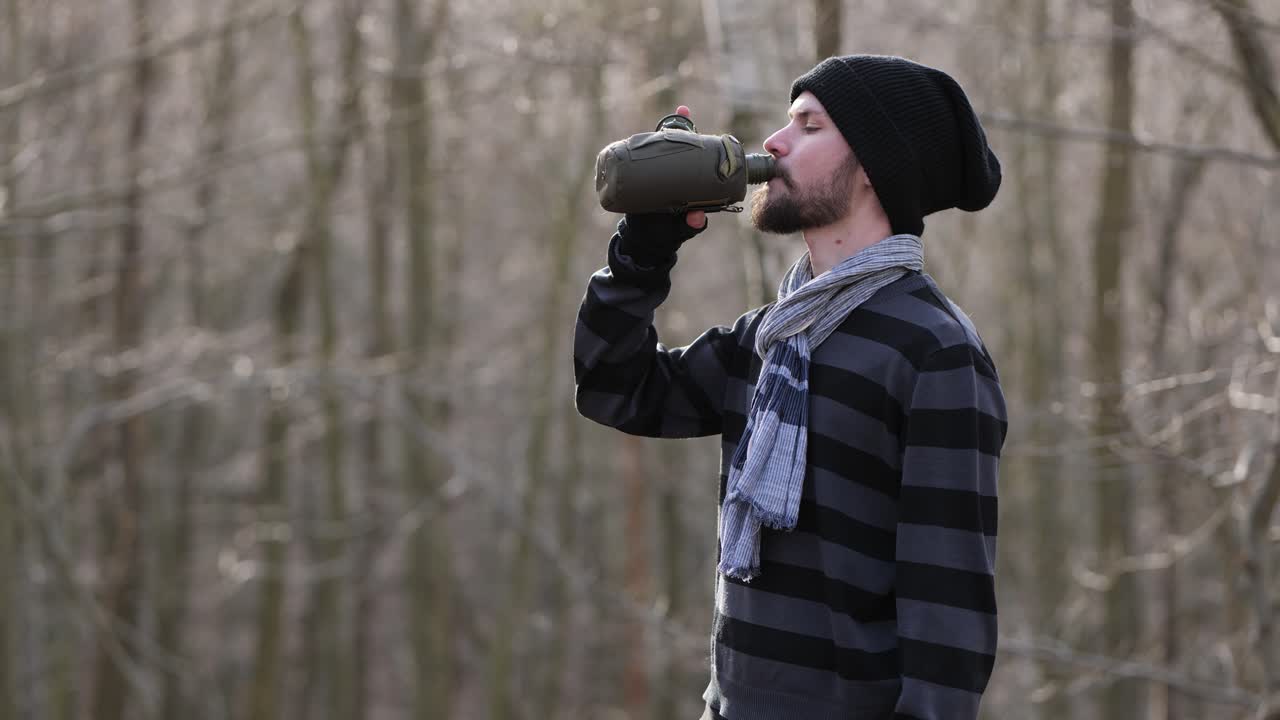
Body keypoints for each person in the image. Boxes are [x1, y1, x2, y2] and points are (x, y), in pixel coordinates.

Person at [574, 54, 1008, 720]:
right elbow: (616, 388)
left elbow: (947, 626)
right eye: (785, 123)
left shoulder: (934, 353)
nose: (774, 143)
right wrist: (643, 250)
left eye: (809, 125)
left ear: (873, 164)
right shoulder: (771, 339)